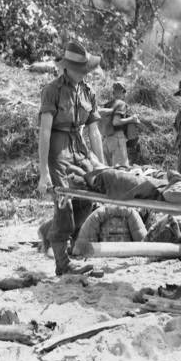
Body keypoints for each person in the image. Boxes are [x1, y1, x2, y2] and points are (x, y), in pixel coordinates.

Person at [37, 41, 105, 276]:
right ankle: (63, 264)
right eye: (81, 69)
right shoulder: (52, 90)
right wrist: (44, 172)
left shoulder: (88, 92)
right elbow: (44, 131)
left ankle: (50, 231)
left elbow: (94, 131)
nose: (85, 74)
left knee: (89, 195)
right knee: (65, 201)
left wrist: (103, 167)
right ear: (67, 68)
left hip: (81, 149)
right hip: (59, 151)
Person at [99, 81, 140, 167]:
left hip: (106, 140)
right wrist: (131, 119)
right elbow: (116, 122)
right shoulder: (121, 104)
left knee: (111, 172)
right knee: (121, 170)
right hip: (117, 138)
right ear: (123, 92)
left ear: (113, 92)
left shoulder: (107, 104)